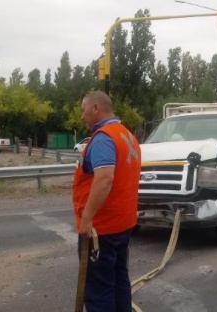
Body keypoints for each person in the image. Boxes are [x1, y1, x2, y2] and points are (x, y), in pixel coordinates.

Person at [72, 91, 141, 312]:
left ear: (95, 108)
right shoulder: (127, 135)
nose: (82, 117)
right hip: (123, 223)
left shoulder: (103, 138)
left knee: (99, 288)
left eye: (84, 111)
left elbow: (105, 179)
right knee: (119, 278)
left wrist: (87, 219)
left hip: (101, 229)